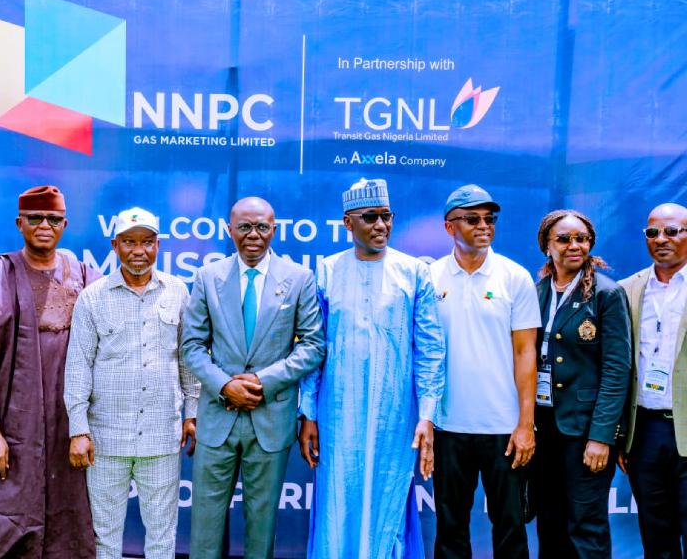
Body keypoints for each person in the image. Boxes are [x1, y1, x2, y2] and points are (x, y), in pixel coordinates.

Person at [298, 178, 446, 558]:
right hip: (337, 413)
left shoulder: (414, 272)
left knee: (389, 496)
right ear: (348, 223)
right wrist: (309, 414)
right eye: (371, 217)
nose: (381, 225)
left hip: (396, 415)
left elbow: (430, 349)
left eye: (386, 216)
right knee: (337, 498)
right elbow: (314, 350)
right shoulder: (328, 272)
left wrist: (426, 415)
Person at [182, 196, 324, 559]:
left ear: (274, 229)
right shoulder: (208, 277)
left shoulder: (298, 279)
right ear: (229, 230)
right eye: (244, 227)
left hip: (270, 419)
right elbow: (192, 346)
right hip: (218, 419)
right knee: (204, 532)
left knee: (261, 534)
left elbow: (312, 345)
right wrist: (224, 386)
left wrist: (264, 381)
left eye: (262, 227)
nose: (253, 235)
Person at [0, 185, 97, 558]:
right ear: (20, 223)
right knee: (5, 520)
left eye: (53, 219)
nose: (44, 226)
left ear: (65, 224)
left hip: (69, 426)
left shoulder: (84, 276)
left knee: (70, 521)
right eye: (35, 218)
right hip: (11, 428)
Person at [65, 207, 199, 559]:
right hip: (106, 439)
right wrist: (78, 429)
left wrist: (192, 413)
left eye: (147, 242)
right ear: (115, 245)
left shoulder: (177, 292)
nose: (139, 250)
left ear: (158, 246)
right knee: (104, 536)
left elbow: (187, 360)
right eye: (129, 242)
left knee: (162, 534)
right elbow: (78, 367)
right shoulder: (92, 298)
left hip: (161, 436)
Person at [430, 184, 540, 559]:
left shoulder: (514, 276)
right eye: (472, 219)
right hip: (447, 426)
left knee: (510, 526)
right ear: (449, 227)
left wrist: (525, 425)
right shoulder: (428, 278)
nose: (484, 226)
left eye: (489, 219)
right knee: (450, 528)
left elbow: (527, 354)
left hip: (503, 428)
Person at [532, 210, 631, 558]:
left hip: (584, 430)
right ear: (547, 245)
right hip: (543, 429)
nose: (574, 246)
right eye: (564, 239)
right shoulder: (538, 290)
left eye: (582, 239)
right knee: (549, 521)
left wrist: (602, 437)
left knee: (585, 527)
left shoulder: (606, 293)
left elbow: (618, 369)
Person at [618, 202, 687, 557]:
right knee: (656, 535)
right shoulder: (626, 289)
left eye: (672, 231)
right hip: (644, 431)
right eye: (653, 232)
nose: (662, 239)